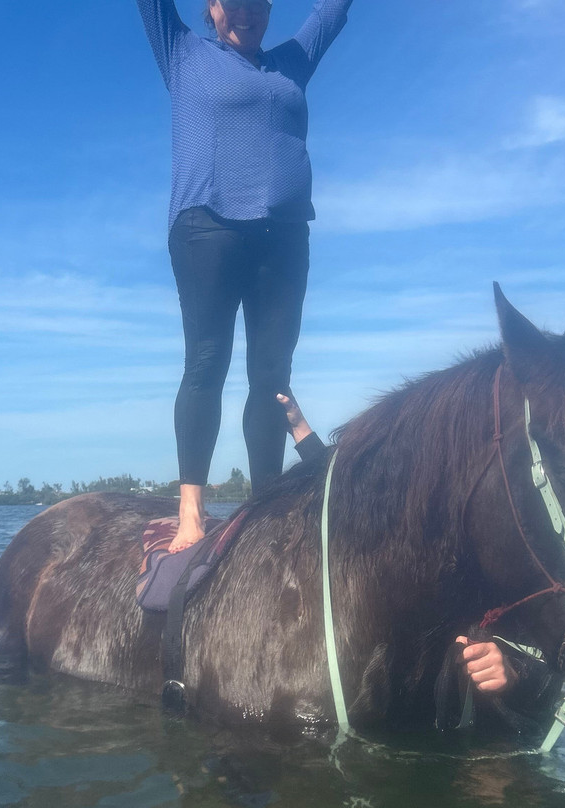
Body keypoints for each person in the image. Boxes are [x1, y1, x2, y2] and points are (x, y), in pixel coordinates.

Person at [136, 0, 355, 552]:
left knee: (273, 376)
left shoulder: (289, 63)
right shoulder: (183, 52)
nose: (248, 14)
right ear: (212, 8)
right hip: (206, 228)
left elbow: (331, 12)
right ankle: (193, 513)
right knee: (207, 362)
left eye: (258, 4)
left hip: (283, 237)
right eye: (235, 4)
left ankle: (266, 508)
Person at [276, 393, 516, 698]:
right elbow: (342, 487)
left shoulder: (477, 548)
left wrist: (510, 672)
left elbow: (535, 655)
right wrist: (300, 428)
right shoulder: (382, 522)